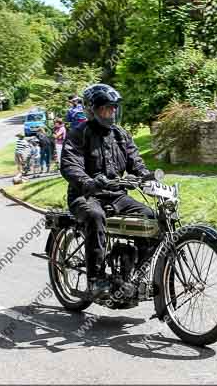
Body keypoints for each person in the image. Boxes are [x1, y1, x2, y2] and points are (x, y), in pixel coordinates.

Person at [60, 84, 154, 298]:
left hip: (117, 196)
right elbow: (70, 165)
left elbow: (135, 161)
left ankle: (135, 273)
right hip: (86, 195)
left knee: (150, 217)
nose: (110, 113)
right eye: (105, 109)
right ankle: (96, 280)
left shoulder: (121, 134)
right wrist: (89, 182)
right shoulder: (79, 134)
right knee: (95, 216)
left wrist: (145, 176)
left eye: (113, 108)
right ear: (92, 110)